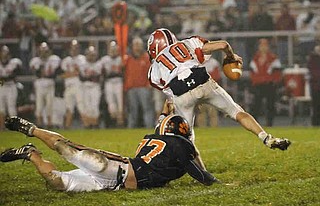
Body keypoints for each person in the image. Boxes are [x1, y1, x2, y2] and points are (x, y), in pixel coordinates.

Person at [147, 28, 291, 168]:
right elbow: (223, 45)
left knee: (187, 140)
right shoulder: (188, 43)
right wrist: (231, 56)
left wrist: (162, 117)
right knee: (238, 112)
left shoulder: (153, 70)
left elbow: (170, 99)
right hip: (201, 79)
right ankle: (266, 138)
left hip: (181, 92)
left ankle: (204, 174)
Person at [0, 101, 218, 192]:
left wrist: (164, 110)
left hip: (113, 185)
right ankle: (31, 129)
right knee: (68, 149)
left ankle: (30, 153)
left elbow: (161, 124)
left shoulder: (158, 136)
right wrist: (214, 181)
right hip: (115, 169)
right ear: (182, 132)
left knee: (57, 183)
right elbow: (198, 173)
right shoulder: (179, 143)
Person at [249, 39, 282, 127]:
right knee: (256, 105)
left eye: (265, 45)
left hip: (269, 85)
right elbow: (252, 73)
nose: (263, 47)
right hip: (258, 85)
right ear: (258, 47)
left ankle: (269, 123)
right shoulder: (255, 59)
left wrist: (273, 82)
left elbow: (278, 73)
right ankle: (254, 125)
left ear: (268, 47)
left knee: (270, 105)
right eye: (261, 45)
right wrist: (255, 82)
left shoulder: (273, 59)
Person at [124, 37, 154, 128]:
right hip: (131, 87)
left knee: (147, 108)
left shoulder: (146, 57)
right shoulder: (127, 58)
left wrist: (149, 84)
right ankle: (131, 127)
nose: (137, 47)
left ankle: (149, 126)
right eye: (135, 45)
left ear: (142, 46)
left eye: (139, 45)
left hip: (144, 87)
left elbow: (151, 72)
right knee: (132, 109)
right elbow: (124, 72)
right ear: (132, 46)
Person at [29, 42, 61, 128]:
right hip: (39, 83)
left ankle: (49, 124)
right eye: (42, 51)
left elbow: (55, 72)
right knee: (39, 105)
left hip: (50, 83)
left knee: (50, 104)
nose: (43, 53)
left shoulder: (54, 59)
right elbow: (37, 73)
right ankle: (39, 124)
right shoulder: (35, 60)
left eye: (45, 51)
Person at [60, 40, 85, 129]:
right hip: (68, 86)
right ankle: (67, 127)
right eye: (72, 48)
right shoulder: (66, 60)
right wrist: (71, 74)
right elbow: (61, 75)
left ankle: (87, 126)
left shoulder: (82, 58)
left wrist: (69, 74)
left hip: (78, 86)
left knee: (81, 106)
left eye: (76, 48)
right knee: (68, 108)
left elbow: (78, 73)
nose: (74, 50)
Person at [77, 46, 102, 128]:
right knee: (87, 106)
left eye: (93, 55)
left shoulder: (99, 64)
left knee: (94, 106)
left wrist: (89, 77)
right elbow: (81, 77)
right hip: (85, 86)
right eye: (90, 54)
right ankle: (88, 125)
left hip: (95, 86)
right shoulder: (82, 64)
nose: (91, 56)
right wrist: (90, 77)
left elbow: (97, 77)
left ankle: (95, 125)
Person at [100, 41, 124, 127]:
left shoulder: (121, 59)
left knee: (120, 103)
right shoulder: (104, 60)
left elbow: (124, 72)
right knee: (111, 104)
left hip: (118, 82)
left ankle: (120, 123)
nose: (113, 51)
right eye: (112, 49)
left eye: (115, 49)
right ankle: (114, 122)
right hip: (109, 83)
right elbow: (101, 73)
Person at [0, 45, 22, 130]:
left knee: (11, 107)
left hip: (11, 86)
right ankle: (2, 127)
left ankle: (14, 127)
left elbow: (16, 73)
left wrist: (5, 78)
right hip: (1, 86)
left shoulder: (14, 62)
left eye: (6, 52)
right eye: (2, 52)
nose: (4, 54)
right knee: (1, 108)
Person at [307, 45, 320, 126]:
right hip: (316, 86)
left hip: (315, 84)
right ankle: (315, 123)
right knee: (315, 106)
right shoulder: (313, 59)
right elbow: (313, 71)